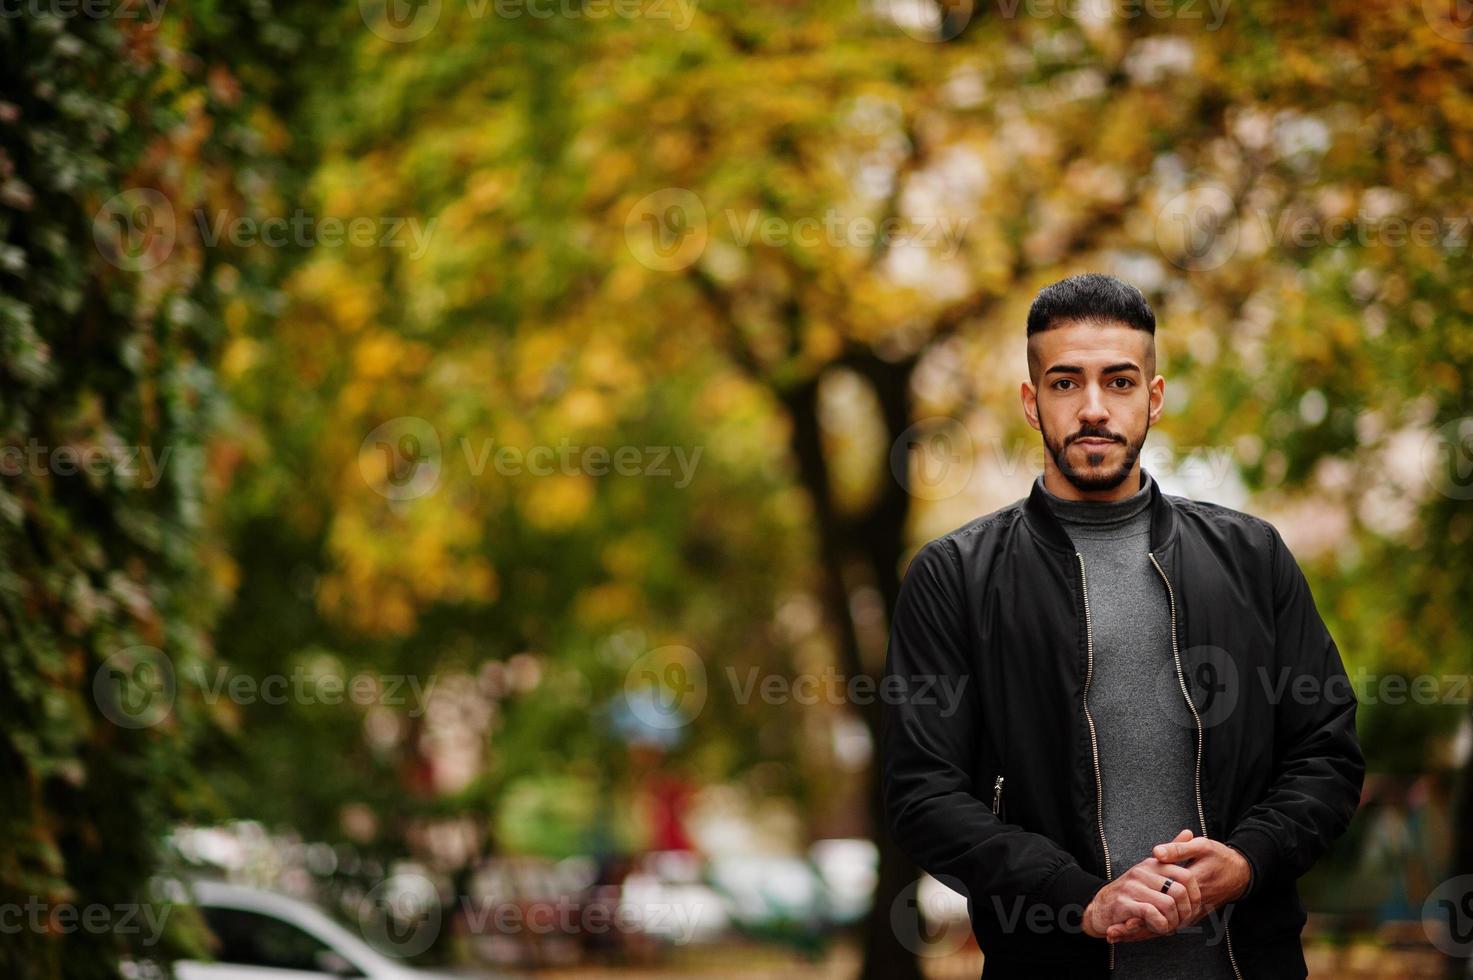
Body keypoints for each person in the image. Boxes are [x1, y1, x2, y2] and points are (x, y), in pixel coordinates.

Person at [880, 273, 1364, 979]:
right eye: (1065, 383)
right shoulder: (955, 576)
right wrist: (1077, 899)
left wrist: (1248, 858)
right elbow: (922, 793)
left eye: (1119, 381)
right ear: (1029, 401)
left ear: (1154, 398)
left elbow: (1326, 752)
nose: (1093, 408)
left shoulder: (1250, 558)